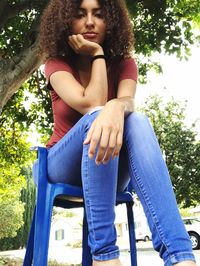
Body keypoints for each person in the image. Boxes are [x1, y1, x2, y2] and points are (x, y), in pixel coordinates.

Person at [35, 0, 197, 265]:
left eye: (98, 15)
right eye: (80, 15)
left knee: (138, 121)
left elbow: (127, 102)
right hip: (62, 164)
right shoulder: (56, 63)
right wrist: (97, 54)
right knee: (98, 116)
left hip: (107, 164)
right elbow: (91, 104)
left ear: (111, 21)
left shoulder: (125, 63)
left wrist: (116, 106)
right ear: (66, 21)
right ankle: (105, 255)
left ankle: (180, 257)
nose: (90, 22)